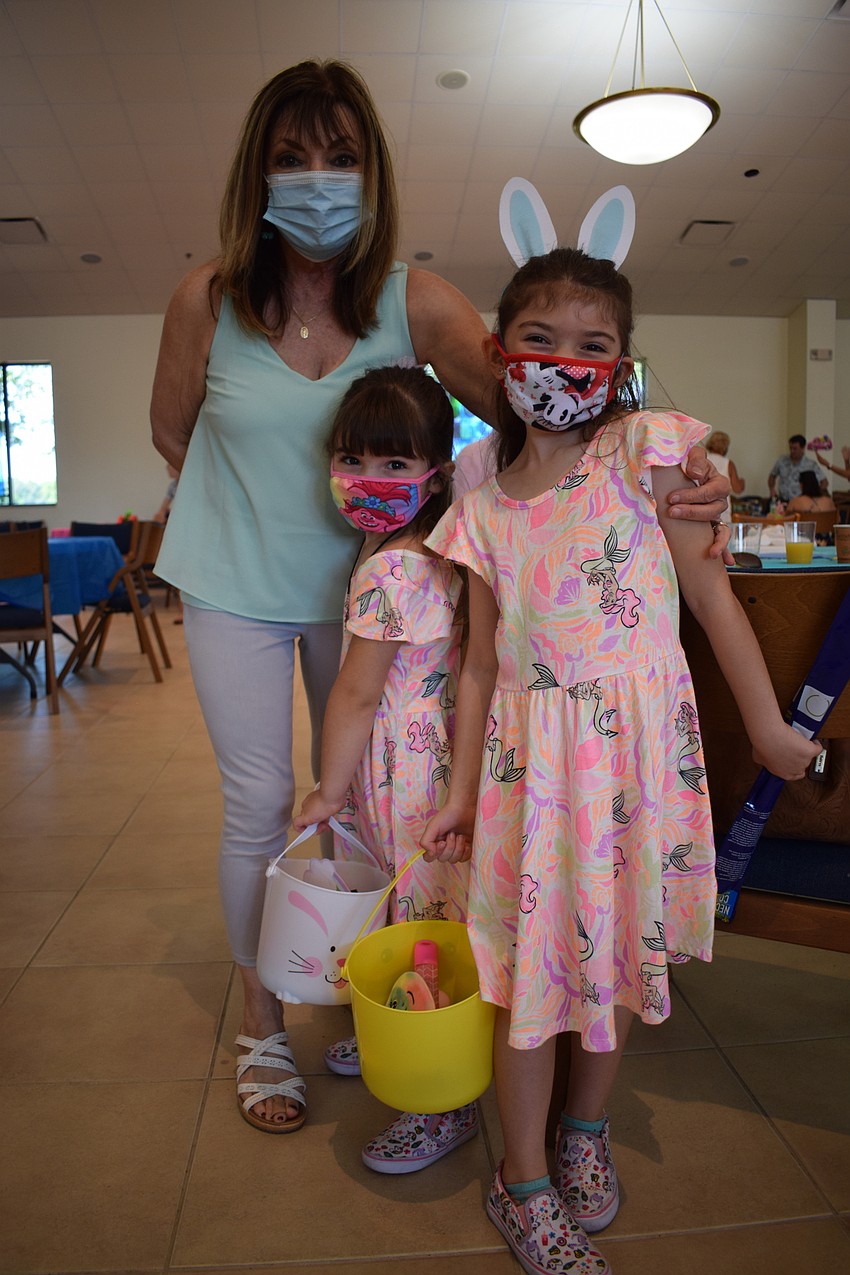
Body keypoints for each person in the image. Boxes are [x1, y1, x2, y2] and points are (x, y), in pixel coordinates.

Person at [149, 59, 731, 1136]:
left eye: (340, 158)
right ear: (254, 175)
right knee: (259, 805)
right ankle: (263, 1023)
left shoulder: (411, 299)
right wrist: (244, 508)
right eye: (290, 159)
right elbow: (171, 429)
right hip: (232, 581)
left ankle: (373, 974)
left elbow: (546, 392)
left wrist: (685, 461)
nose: (315, 180)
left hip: (367, 591)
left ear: (372, 175)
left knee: (374, 804)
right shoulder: (209, 298)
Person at [420, 247, 820, 1274]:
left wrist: (770, 729)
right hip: (531, 786)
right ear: (501, 353)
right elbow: (473, 671)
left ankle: (584, 1131)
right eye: (541, 341)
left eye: (592, 346)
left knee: (617, 961)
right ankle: (522, 1179)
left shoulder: (646, 453)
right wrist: (460, 791)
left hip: (637, 772)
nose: (564, 363)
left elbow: (712, 599)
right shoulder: (478, 514)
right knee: (523, 984)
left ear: (624, 363)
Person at [294, 364, 477, 1173]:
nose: (369, 480)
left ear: (433, 471)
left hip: (405, 775)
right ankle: (395, 1019)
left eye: (395, 465)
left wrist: (327, 789)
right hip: (434, 766)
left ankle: (439, 1098)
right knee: (423, 913)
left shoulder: (388, 569)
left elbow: (357, 693)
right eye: (354, 459)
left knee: (415, 916)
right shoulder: (435, 547)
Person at [767, 435, 826, 502]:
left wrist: (816, 496)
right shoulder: (782, 460)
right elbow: (772, 475)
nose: (792, 451)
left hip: (801, 503)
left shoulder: (811, 465)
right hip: (783, 500)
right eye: (790, 448)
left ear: (803, 448)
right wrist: (772, 489)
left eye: (795, 448)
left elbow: (824, 482)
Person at [706, 430, 744, 512]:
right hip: (722, 509)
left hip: (704, 506)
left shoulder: (704, 459)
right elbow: (737, 489)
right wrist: (742, 482)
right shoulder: (728, 463)